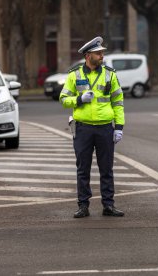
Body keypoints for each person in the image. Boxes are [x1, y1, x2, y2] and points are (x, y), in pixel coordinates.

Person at [60, 36, 125, 218]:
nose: (102, 55)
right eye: (98, 53)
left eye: (102, 52)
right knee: (83, 169)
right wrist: (79, 99)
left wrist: (119, 126)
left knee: (107, 169)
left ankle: (108, 205)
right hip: (83, 128)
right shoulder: (74, 75)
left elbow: (118, 102)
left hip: (105, 128)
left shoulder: (110, 74)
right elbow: (63, 99)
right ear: (88, 56)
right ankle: (83, 206)